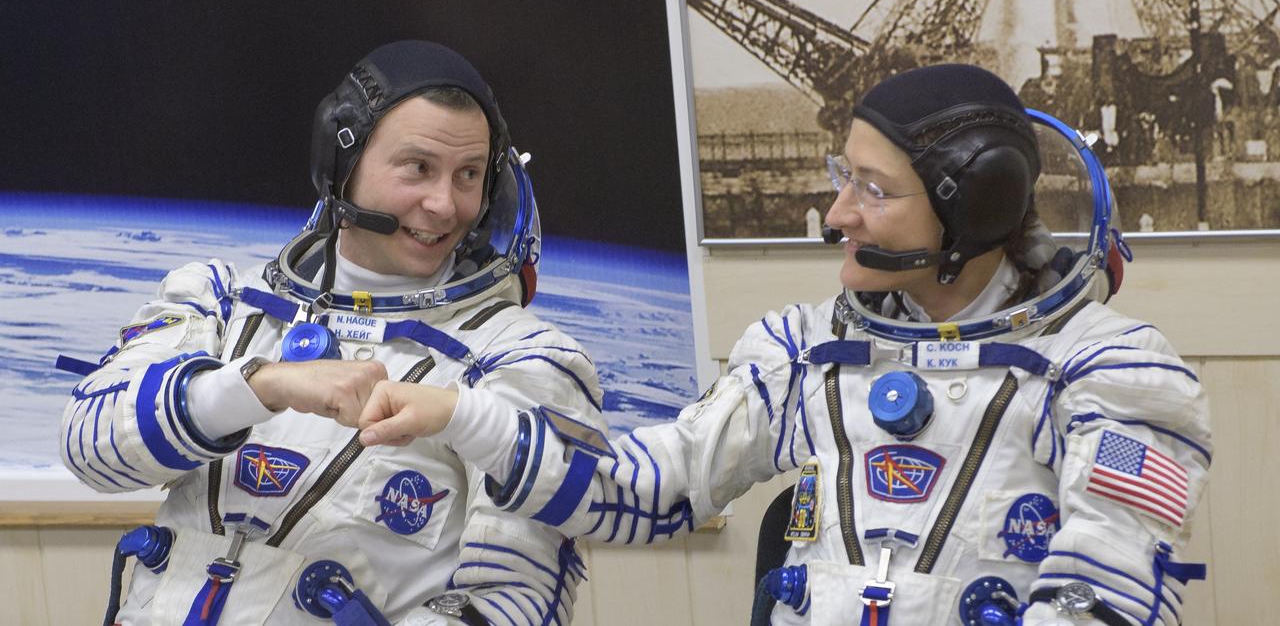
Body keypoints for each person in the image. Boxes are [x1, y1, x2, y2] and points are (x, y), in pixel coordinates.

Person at [358, 64, 1212, 625]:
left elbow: (1107, 601)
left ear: (973, 208)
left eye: (874, 191)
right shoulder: (802, 351)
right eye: (845, 178)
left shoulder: (1112, 372)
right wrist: (468, 418)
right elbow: (644, 491)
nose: (839, 213)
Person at [59, 40, 605, 626]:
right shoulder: (219, 303)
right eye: (418, 168)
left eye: (469, 175)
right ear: (341, 166)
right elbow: (90, 448)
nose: (445, 205)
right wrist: (256, 387)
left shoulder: (519, 360)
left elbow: (516, 603)